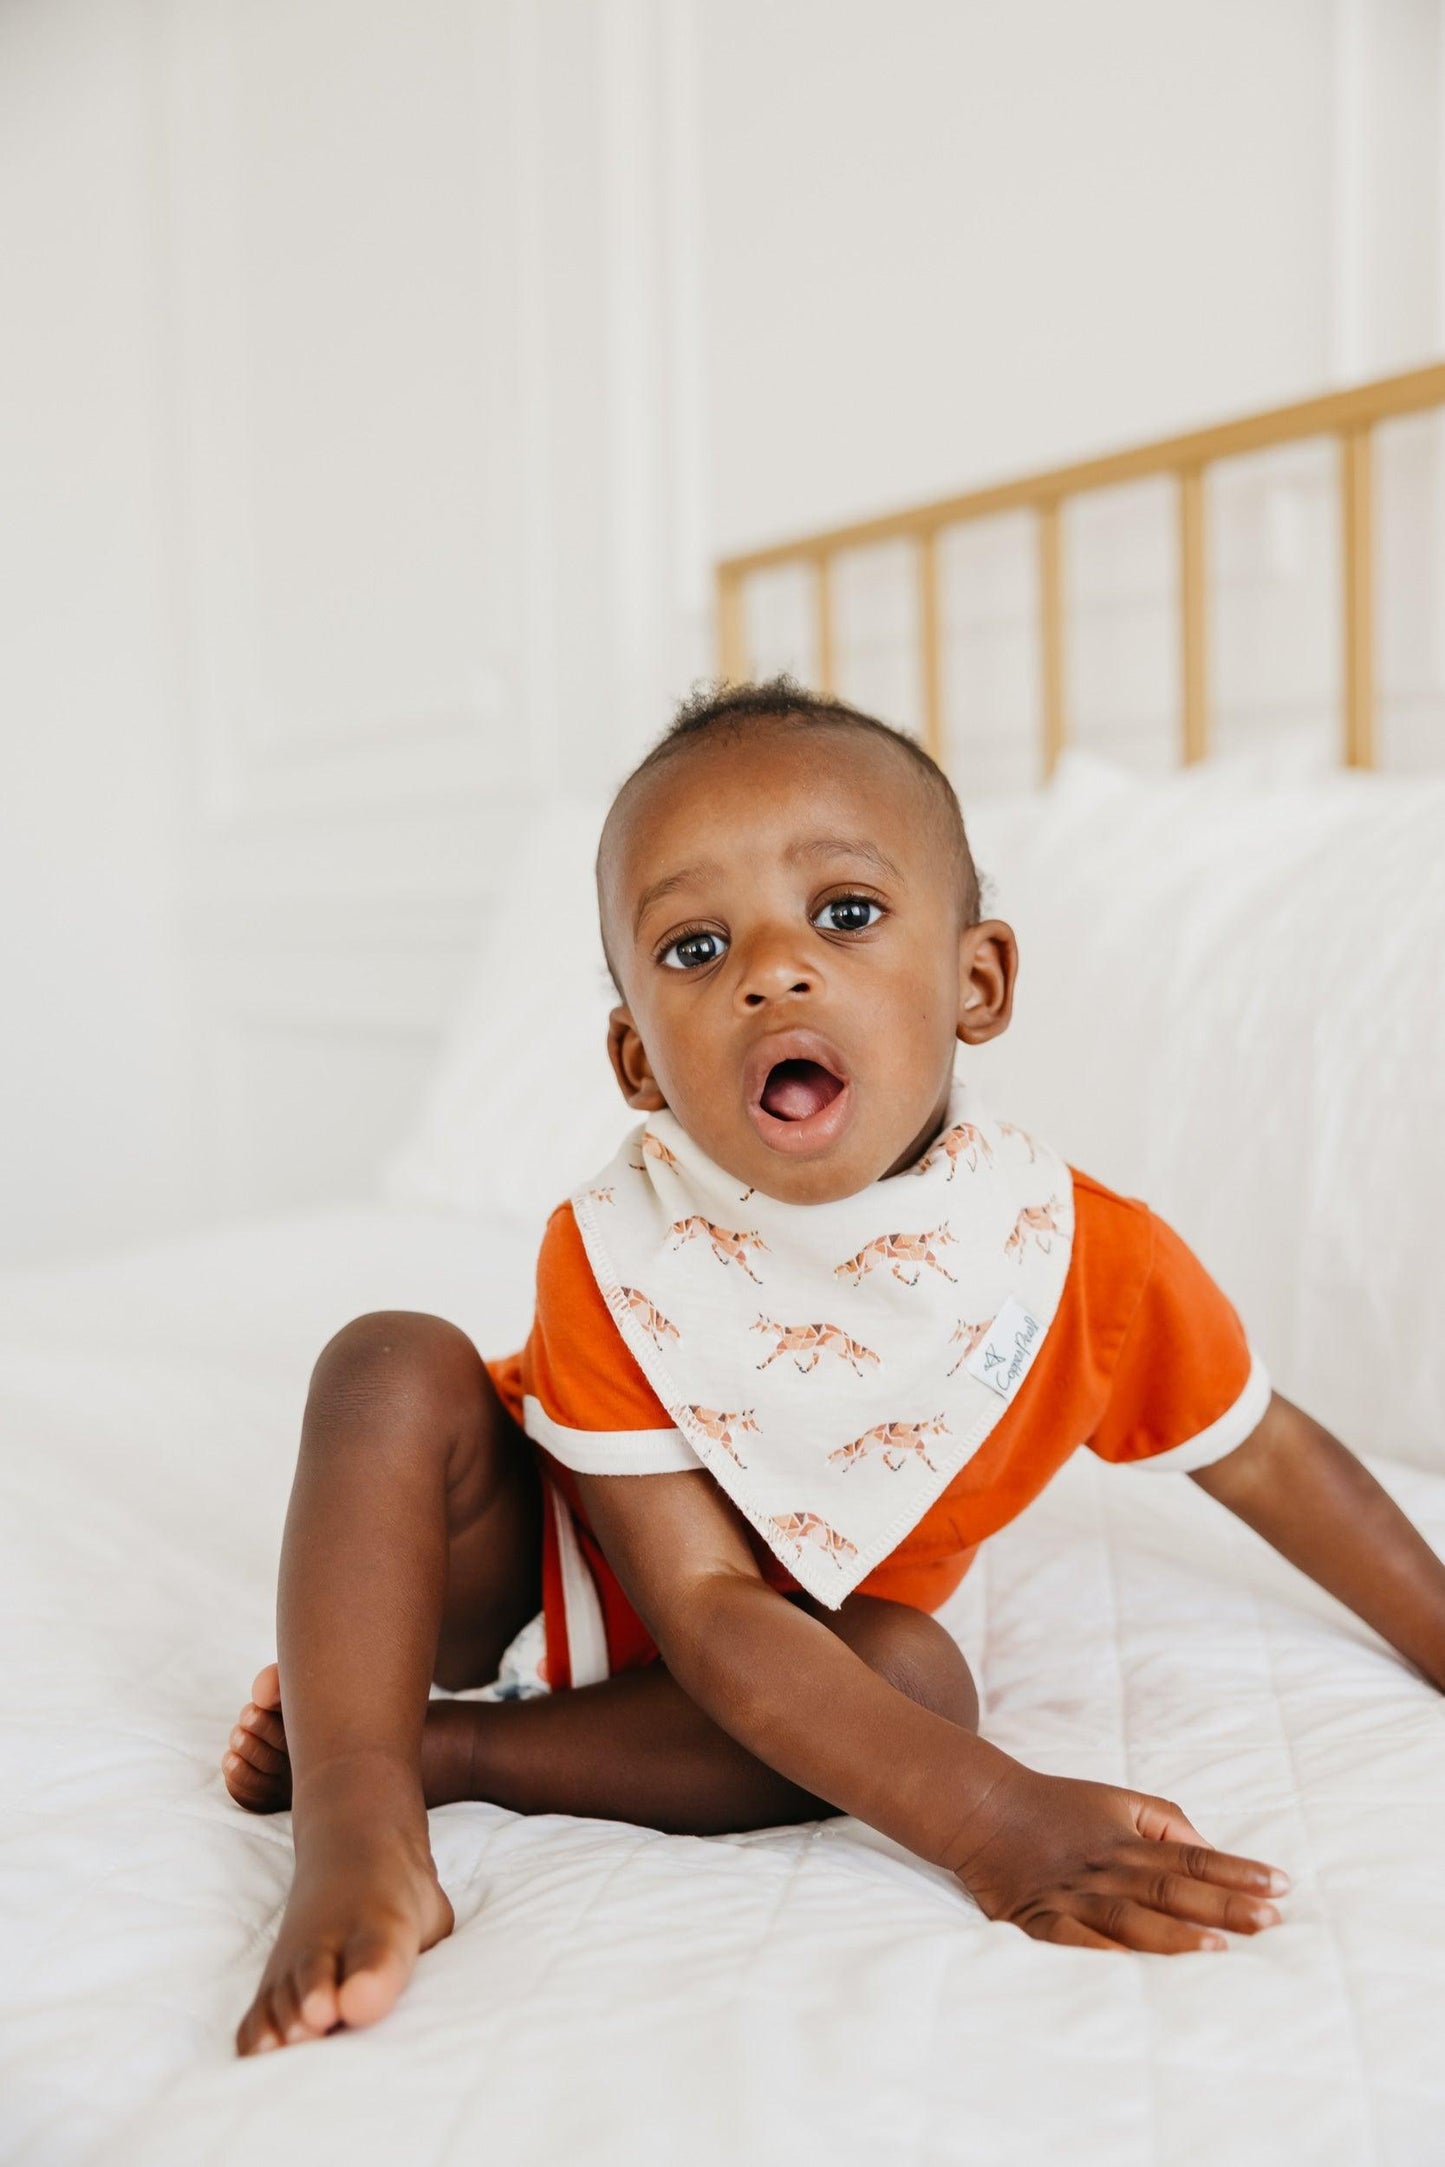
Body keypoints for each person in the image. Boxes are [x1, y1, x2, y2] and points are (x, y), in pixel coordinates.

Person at [222, 678, 1445, 2057]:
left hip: (759, 1678)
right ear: (637, 1061)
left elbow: (1270, 1451)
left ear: (974, 983)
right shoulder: (616, 1246)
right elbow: (698, 1602)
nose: (770, 969)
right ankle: (357, 1805)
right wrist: (989, 1819)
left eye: (846, 915)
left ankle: (449, 1752)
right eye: (692, 947)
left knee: (914, 1682)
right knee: (384, 1362)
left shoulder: (1074, 1262)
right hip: (516, 1577)